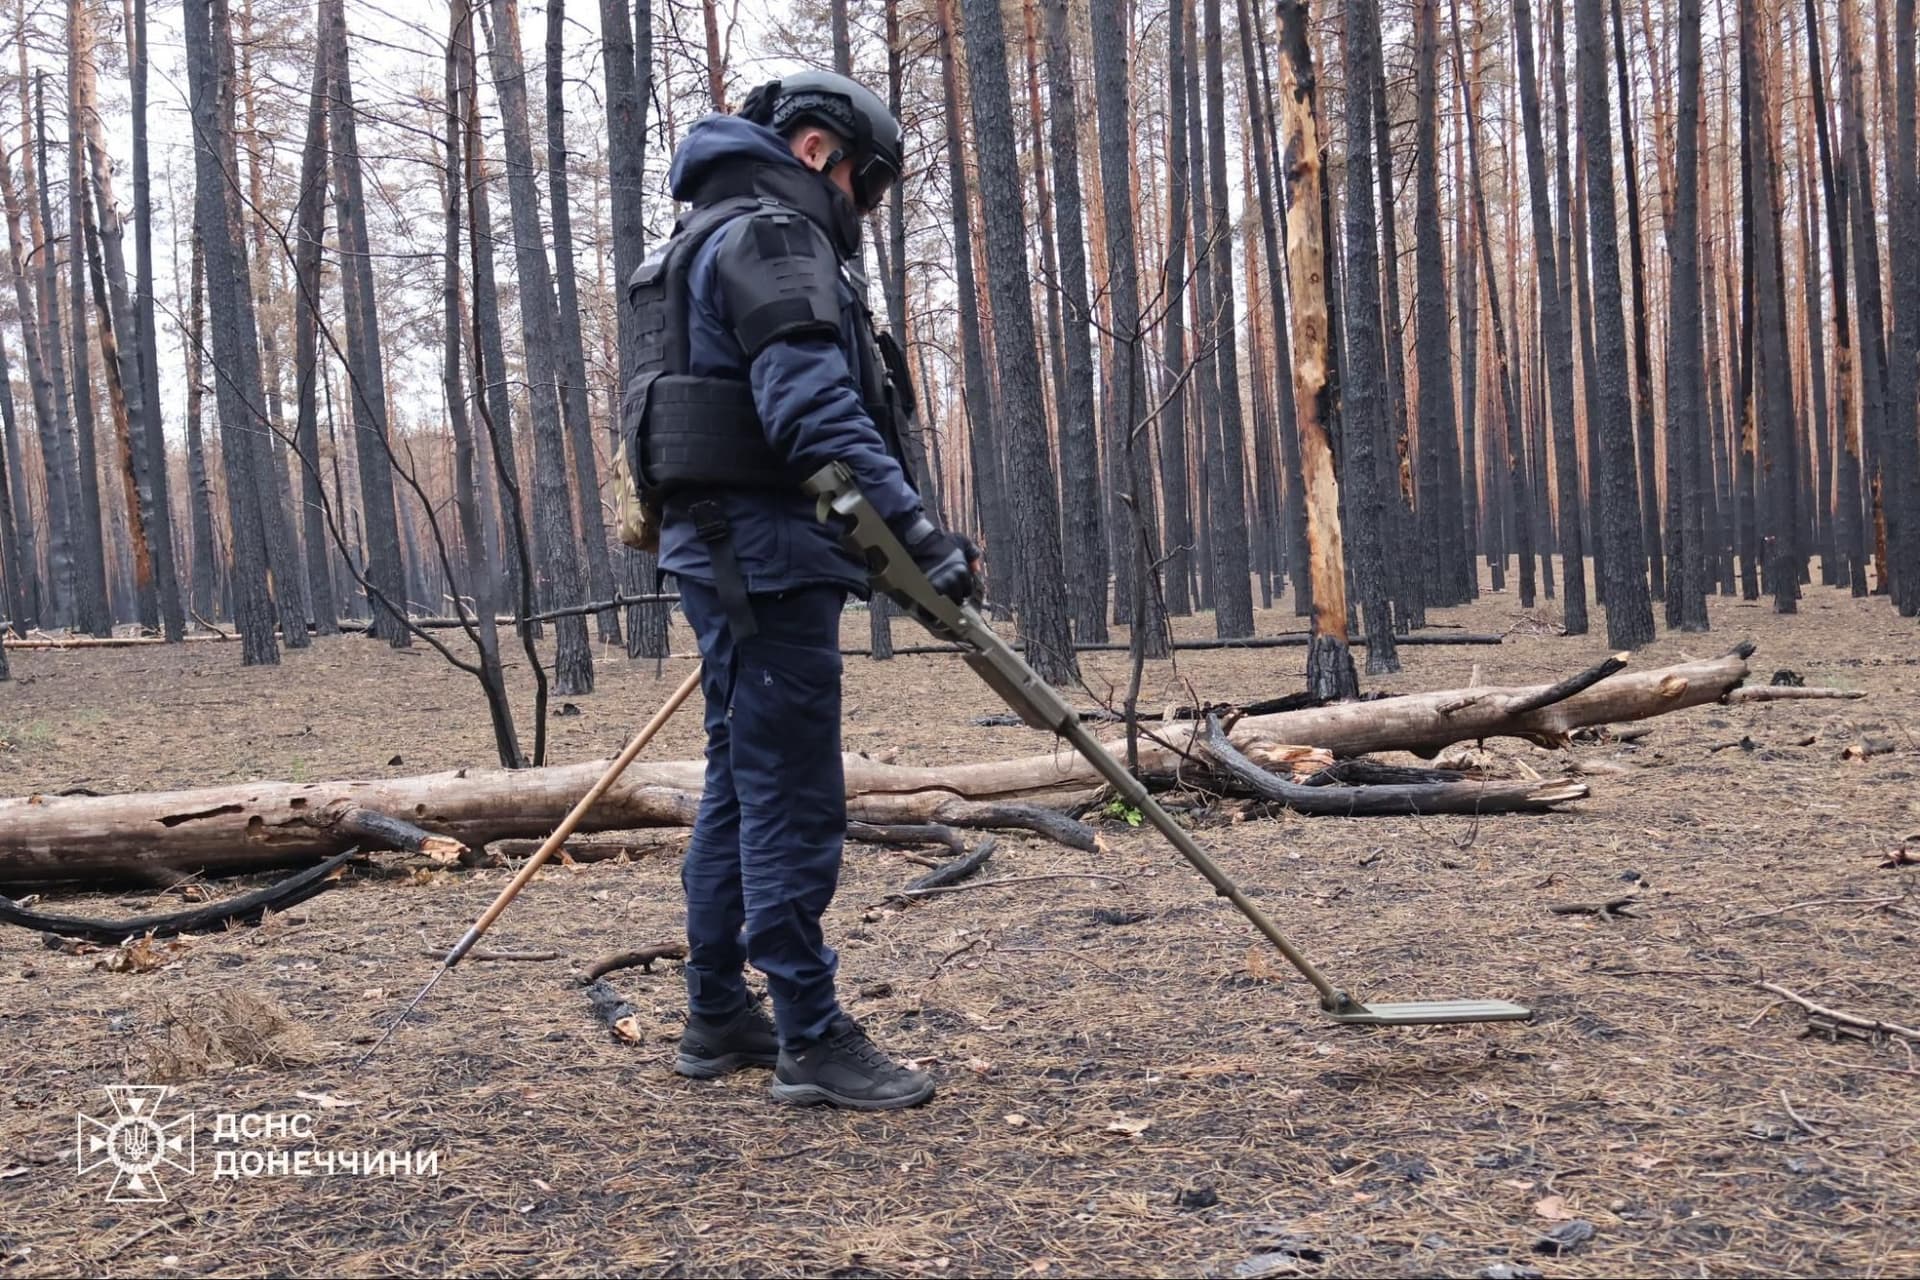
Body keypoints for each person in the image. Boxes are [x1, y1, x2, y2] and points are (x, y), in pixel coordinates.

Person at [622, 71, 978, 1110]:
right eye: (865, 186)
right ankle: (810, 1030)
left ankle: (715, 1008)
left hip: (728, 551)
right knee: (791, 792)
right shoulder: (773, 238)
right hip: (762, 557)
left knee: (741, 778)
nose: (862, 213)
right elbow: (813, 412)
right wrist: (917, 536)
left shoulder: (702, 238)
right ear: (821, 152)